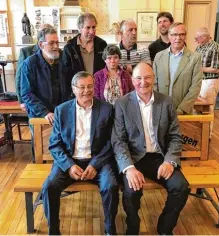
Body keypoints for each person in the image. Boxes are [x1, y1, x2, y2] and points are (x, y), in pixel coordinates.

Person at [112, 62, 190, 235]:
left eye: (147, 77)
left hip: (159, 157)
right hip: (134, 159)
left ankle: (165, 227)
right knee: (131, 192)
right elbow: (119, 141)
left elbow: (175, 137)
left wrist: (170, 161)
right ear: (132, 80)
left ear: (154, 79)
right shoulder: (122, 104)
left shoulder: (166, 102)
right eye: (138, 78)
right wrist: (129, 168)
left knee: (181, 187)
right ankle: (132, 227)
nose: (143, 82)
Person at [42, 71, 119, 235]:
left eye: (90, 86)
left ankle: (110, 230)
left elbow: (111, 143)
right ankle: (53, 231)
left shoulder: (107, 109)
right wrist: (69, 166)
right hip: (69, 161)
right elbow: (55, 144)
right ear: (74, 89)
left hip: (98, 161)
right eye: (82, 87)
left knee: (111, 186)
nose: (86, 91)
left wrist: (95, 164)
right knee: (49, 187)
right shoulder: (61, 111)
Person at [153, 22, 203, 114]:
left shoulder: (195, 58)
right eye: (174, 34)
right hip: (161, 109)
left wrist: (181, 109)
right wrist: (158, 105)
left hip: (183, 111)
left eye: (182, 34)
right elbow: (154, 83)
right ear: (169, 36)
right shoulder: (159, 56)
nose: (178, 38)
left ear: (185, 36)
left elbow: (195, 87)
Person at [21, 27, 67, 125]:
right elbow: (27, 93)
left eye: (57, 42)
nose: (56, 46)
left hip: (62, 113)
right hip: (40, 115)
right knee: (41, 140)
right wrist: (44, 112)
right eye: (51, 43)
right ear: (41, 44)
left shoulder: (64, 58)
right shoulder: (30, 63)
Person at [62, 13, 107, 98]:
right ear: (80, 28)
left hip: (98, 93)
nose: (91, 31)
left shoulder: (102, 45)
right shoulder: (70, 48)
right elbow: (65, 77)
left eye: (93, 27)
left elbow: (106, 70)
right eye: (88, 27)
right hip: (78, 95)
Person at [16, 24, 54, 111]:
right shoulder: (27, 52)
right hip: (33, 97)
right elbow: (19, 77)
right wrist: (21, 101)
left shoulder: (57, 54)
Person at [195, 27, 219, 138]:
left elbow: (217, 69)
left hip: (210, 81)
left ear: (204, 37)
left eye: (197, 38)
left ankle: (207, 136)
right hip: (200, 80)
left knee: (208, 109)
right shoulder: (200, 47)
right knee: (198, 108)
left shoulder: (215, 47)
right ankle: (198, 134)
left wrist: (198, 68)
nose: (195, 40)